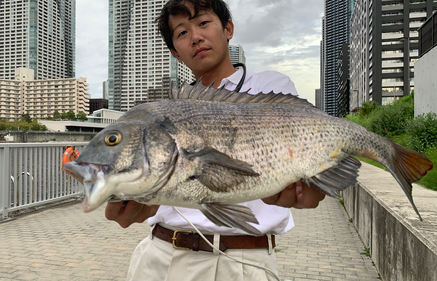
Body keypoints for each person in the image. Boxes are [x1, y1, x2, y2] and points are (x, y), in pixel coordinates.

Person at [105, 1, 326, 280]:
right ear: (176, 53)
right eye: (182, 33)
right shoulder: (167, 109)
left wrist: (314, 187)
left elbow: (309, 162)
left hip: (241, 263)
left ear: (228, 28)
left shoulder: (270, 89)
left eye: (203, 23)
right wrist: (139, 199)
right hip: (158, 256)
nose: (195, 36)